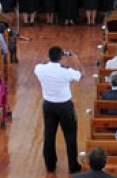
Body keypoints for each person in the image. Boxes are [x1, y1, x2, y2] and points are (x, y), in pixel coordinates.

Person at [34, 46, 84, 175]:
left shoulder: (40, 69)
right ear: (61, 57)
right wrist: (75, 59)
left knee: (49, 134)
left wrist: (49, 59)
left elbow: (41, 63)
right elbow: (81, 75)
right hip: (64, 106)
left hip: (48, 105)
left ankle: (50, 165)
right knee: (70, 135)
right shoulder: (66, 71)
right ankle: (73, 165)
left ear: (49, 56)